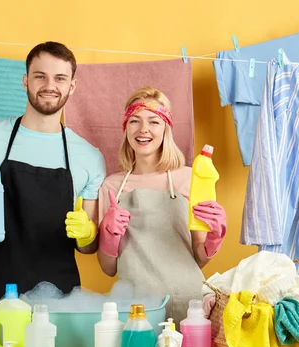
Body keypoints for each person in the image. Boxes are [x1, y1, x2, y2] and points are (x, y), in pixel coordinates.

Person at [0, 42, 105, 347]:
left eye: (59, 78)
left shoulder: (89, 157)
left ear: (72, 85)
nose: (49, 85)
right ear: (25, 80)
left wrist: (89, 232)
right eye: (40, 76)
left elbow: (88, 247)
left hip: (57, 303)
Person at [97, 86, 227, 323]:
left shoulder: (189, 178)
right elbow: (108, 268)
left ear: (166, 128)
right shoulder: (111, 186)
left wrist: (214, 238)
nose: (143, 129)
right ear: (126, 128)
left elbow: (199, 257)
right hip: (135, 308)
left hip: (188, 304)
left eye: (154, 121)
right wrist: (108, 235)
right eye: (135, 121)